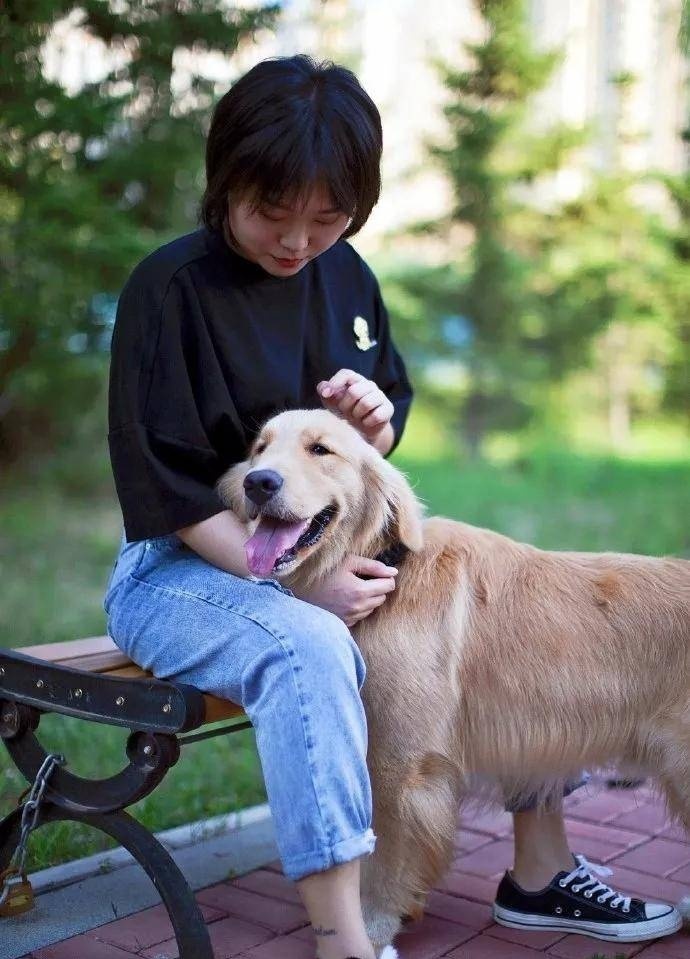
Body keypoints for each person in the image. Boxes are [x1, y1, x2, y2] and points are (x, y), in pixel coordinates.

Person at [103, 55, 680, 959]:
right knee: (308, 646)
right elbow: (163, 486)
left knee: (514, 601)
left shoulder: (347, 276)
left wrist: (374, 419)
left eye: (327, 218)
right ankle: (346, 934)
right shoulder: (169, 288)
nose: (298, 241)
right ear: (227, 182)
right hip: (183, 565)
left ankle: (540, 872)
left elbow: (365, 441)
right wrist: (291, 588)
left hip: (318, 550)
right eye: (273, 212)